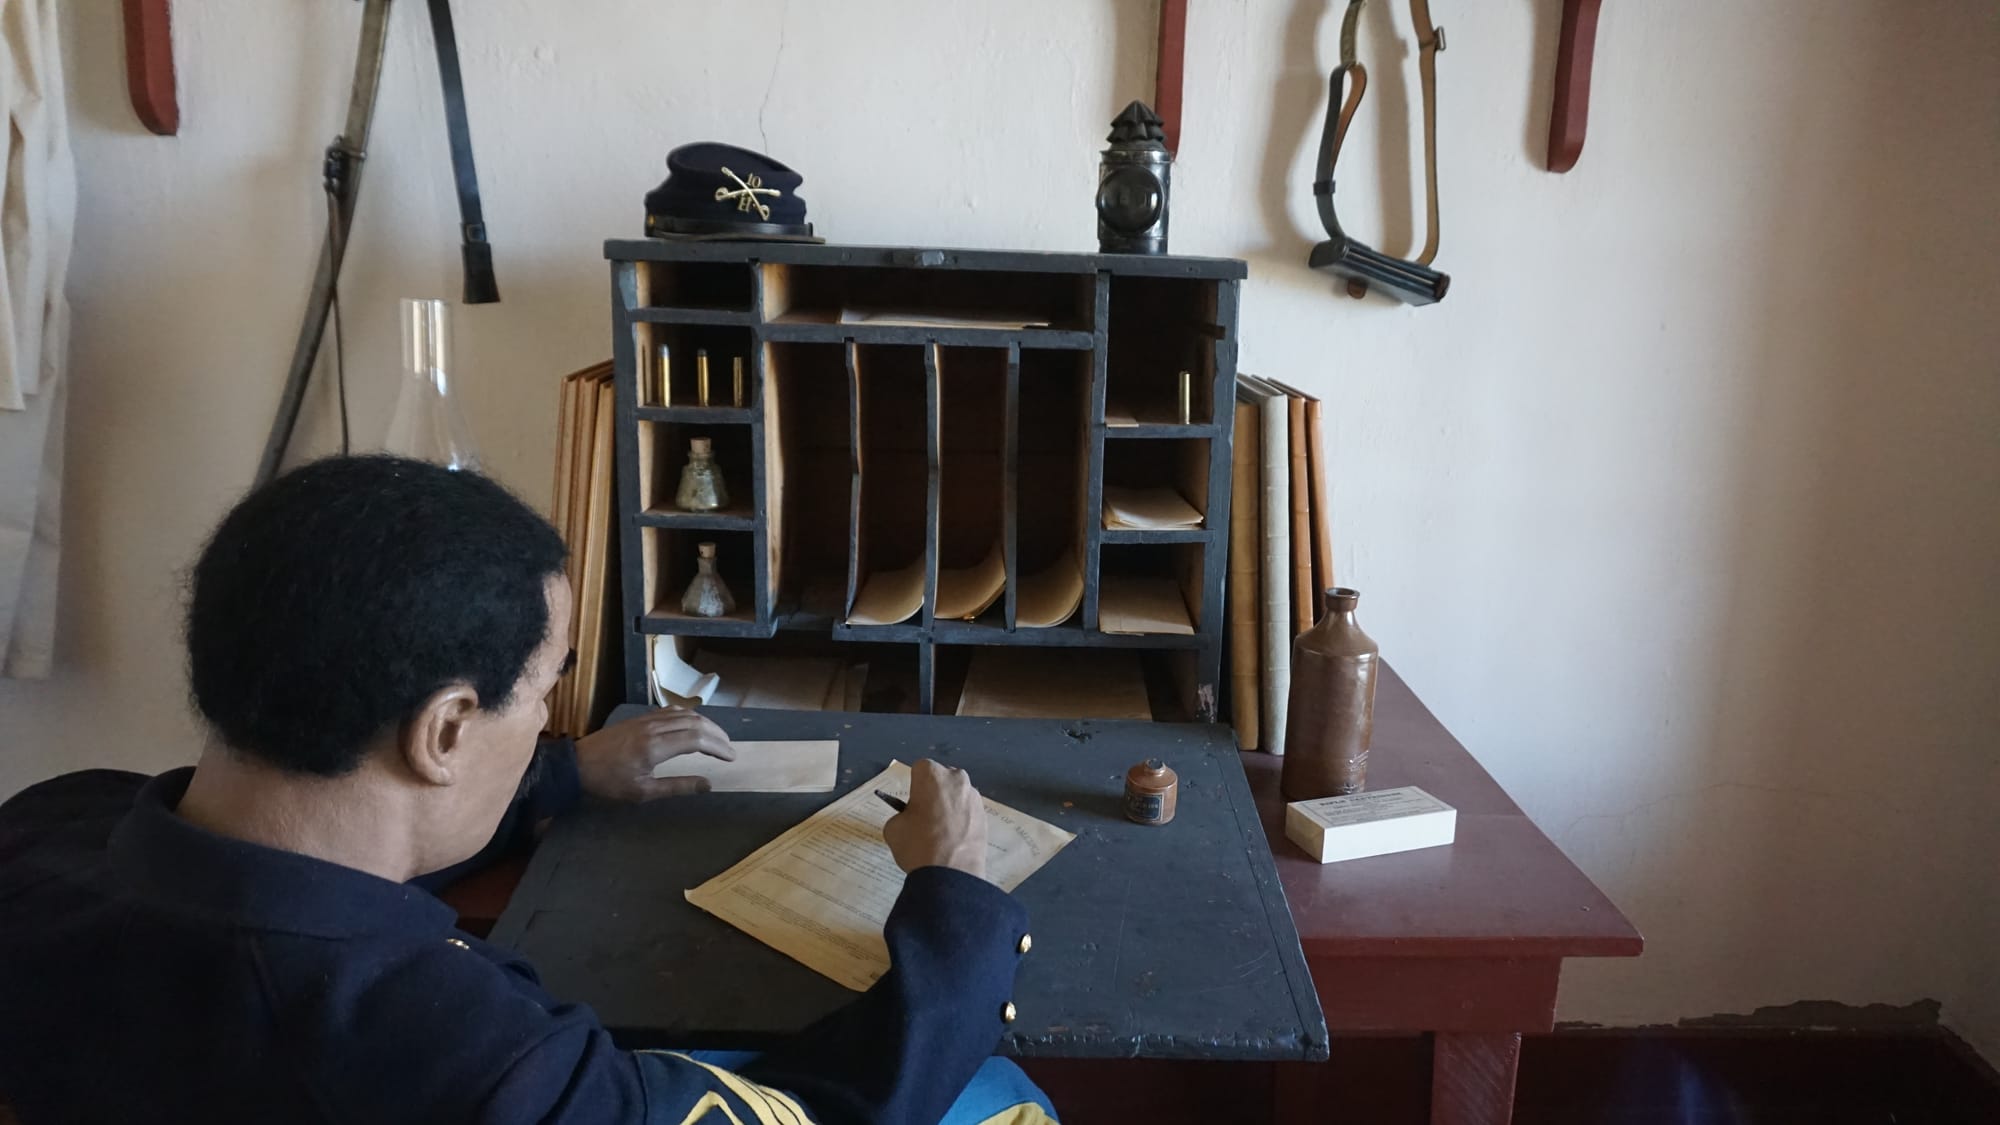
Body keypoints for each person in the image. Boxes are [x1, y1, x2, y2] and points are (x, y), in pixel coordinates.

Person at [0, 455, 1056, 1125]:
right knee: (998, 1098)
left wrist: (560, 772)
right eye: (549, 689)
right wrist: (954, 907)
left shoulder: (48, 826)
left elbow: (300, 861)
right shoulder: (470, 1057)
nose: (554, 715)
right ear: (446, 729)